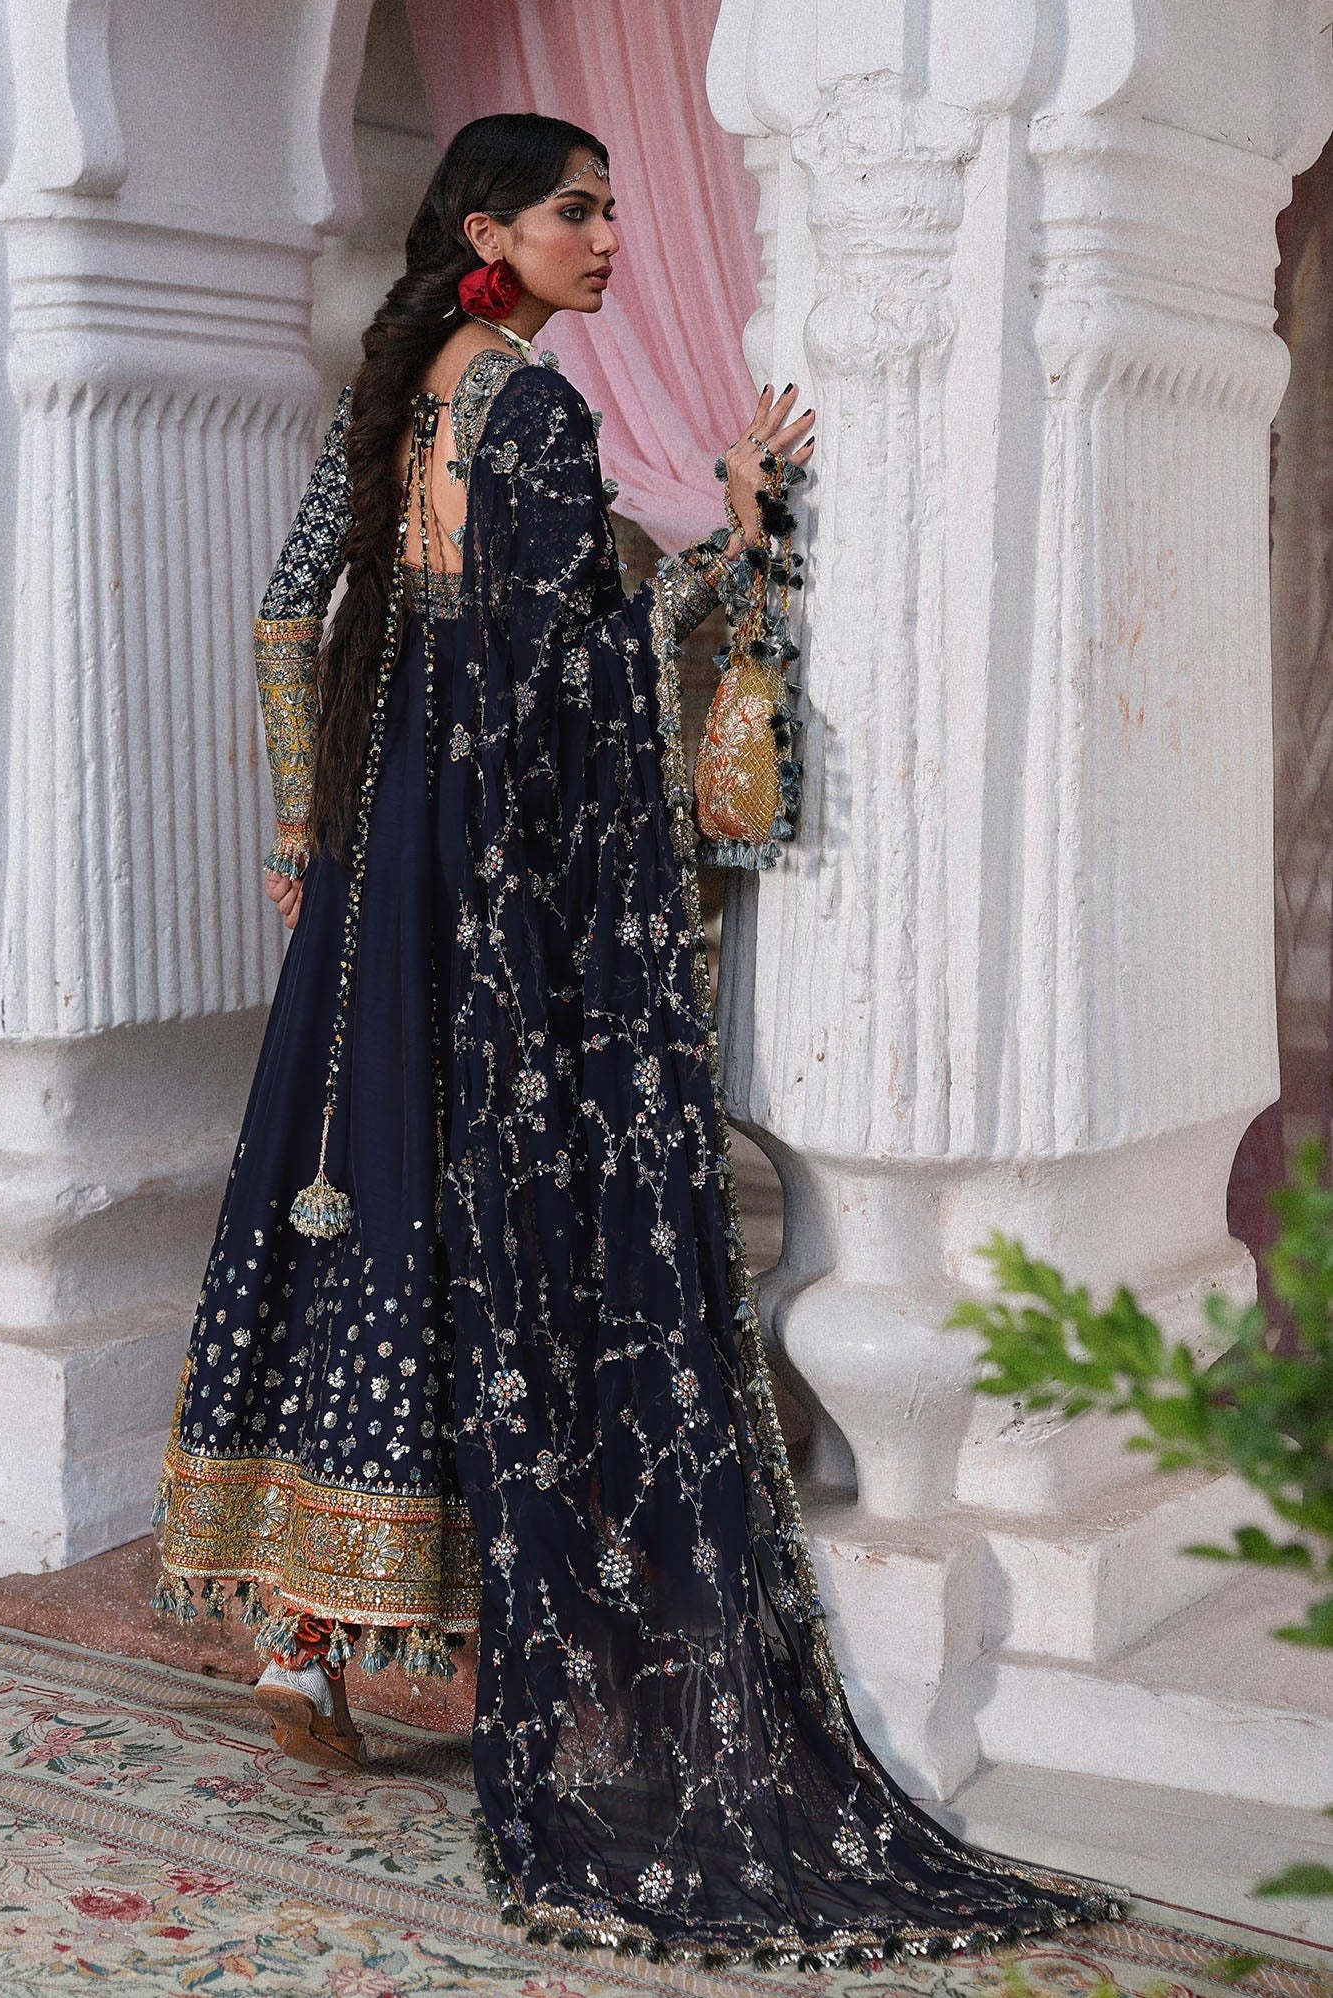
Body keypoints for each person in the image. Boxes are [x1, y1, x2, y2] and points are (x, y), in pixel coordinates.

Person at [154, 111, 1124, 1969]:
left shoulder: (387, 402)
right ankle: (515, 1631)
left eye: (610, 208)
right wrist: (728, 545)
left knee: (354, 1183)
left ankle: (304, 1627)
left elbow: (289, 618)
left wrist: (299, 827)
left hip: (373, 857)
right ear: (491, 231)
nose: (608, 238)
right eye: (576, 211)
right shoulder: (529, 409)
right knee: (486, 1209)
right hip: (487, 881)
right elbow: (570, 677)